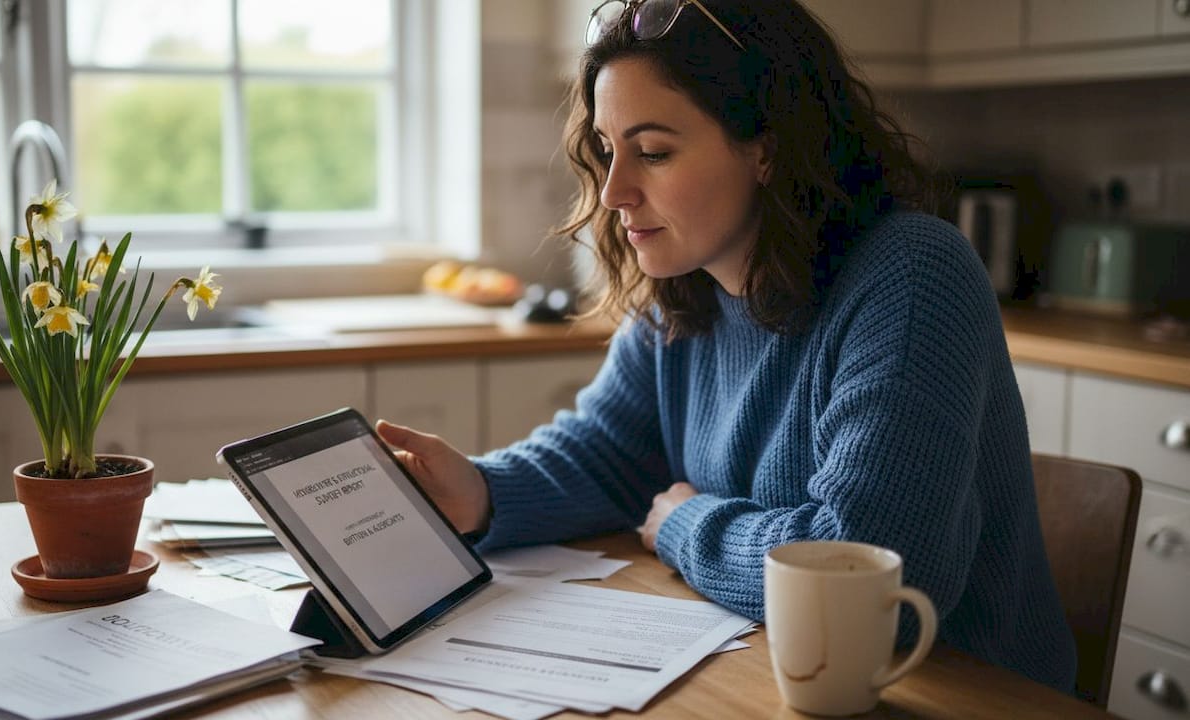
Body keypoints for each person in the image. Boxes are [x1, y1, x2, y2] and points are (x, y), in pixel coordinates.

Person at [376, 0, 1077, 694]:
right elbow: (611, 453)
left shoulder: (912, 275)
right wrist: (483, 491)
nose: (615, 192)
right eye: (607, 151)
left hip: (958, 692)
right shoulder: (687, 287)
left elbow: (866, 577)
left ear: (767, 149)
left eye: (652, 152)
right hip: (777, 672)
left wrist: (687, 524)